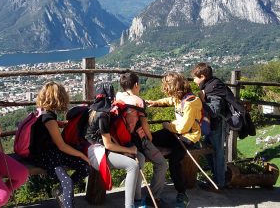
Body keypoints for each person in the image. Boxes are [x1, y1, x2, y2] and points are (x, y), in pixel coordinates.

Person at [29, 81, 89, 208]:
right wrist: (82, 155)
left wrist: (59, 123)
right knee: (67, 182)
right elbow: (62, 146)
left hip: (51, 152)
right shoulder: (49, 119)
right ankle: (65, 197)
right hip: (43, 156)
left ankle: (61, 191)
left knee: (84, 168)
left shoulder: (45, 113)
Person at [147, 72, 202, 208]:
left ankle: (182, 193)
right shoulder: (179, 97)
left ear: (174, 88)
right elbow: (169, 100)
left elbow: (184, 127)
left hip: (188, 136)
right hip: (175, 133)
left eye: (168, 88)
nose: (167, 91)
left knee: (174, 161)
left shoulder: (191, 102)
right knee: (151, 138)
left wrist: (167, 125)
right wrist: (156, 103)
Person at [85, 83, 144, 208]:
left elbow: (109, 137)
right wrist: (127, 149)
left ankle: (137, 198)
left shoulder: (98, 111)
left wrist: (124, 152)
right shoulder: (103, 116)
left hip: (100, 148)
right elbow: (108, 144)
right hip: (95, 151)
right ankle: (130, 205)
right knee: (132, 165)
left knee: (140, 157)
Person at [116, 72, 168, 207]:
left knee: (141, 161)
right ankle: (154, 197)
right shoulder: (138, 101)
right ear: (137, 85)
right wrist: (150, 139)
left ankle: (137, 198)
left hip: (121, 140)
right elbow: (144, 124)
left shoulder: (118, 97)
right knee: (162, 164)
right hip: (139, 140)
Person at [191, 62, 227, 190]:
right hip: (212, 126)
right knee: (207, 150)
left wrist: (201, 100)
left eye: (195, 77)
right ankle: (216, 179)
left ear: (202, 76)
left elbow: (214, 111)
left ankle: (219, 183)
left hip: (217, 125)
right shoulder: (209, 85)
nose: (194, 80)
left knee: (218, 153)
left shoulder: (213, 89)